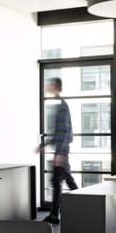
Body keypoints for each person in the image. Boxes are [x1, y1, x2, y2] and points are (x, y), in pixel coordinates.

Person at [36, 77, 77, 224]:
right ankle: (54, 215)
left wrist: (59, 153)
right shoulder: (59, 105)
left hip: (62, 152)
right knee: (58, 182)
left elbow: (65, 132)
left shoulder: (62, 106)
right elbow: (57, 133)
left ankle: (86, 207)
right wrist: (44, 145)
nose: (48, 87)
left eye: (51, 85)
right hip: (60, 151)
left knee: (68, 183)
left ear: (57, 87)